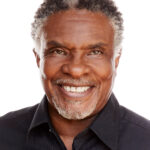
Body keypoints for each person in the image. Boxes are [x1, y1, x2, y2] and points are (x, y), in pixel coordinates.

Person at [0, 0, 150, 149]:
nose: (75, 70)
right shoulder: (4, 134)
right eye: (58, 51)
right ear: (38, 59)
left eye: (95, 52)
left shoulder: (145, 141)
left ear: (115, 60)